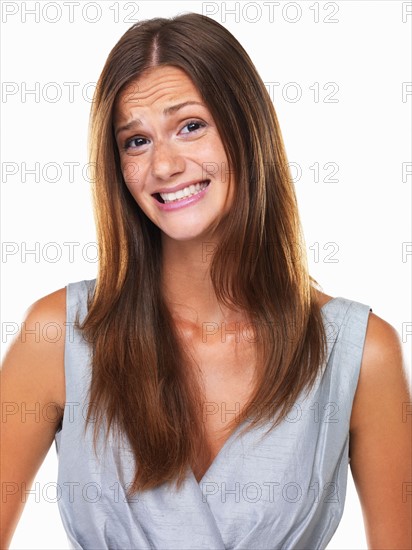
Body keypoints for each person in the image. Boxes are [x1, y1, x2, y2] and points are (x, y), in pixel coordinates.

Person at [1, 12, 410, 550]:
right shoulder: (59, 335)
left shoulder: (358, 353)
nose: (164, 165)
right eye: (136, 141)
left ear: (247, 129)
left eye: (190, 126)